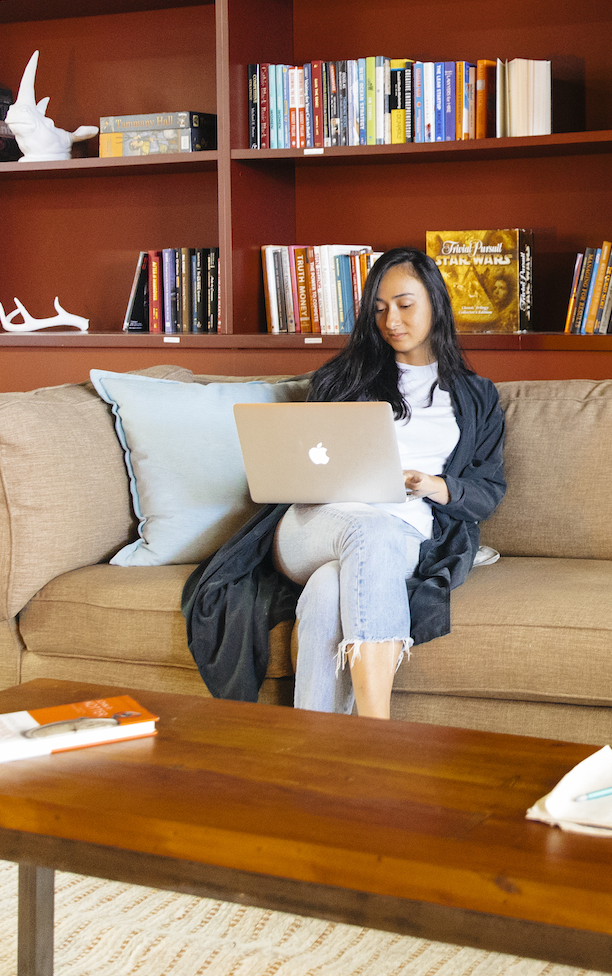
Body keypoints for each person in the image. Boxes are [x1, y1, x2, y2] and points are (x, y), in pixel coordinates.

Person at [182, 247, 506, 715]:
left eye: (405, 304)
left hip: (405, 534)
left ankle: (319, 759)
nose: (391, 319)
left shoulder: (476, 396)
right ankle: (377, 729)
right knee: (366, 529)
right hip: (314, 526)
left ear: (436, 302)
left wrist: (435, 485)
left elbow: (488, 491)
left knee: (328, 591)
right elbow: (305, 463)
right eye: (379, 309)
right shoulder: (343, 377)